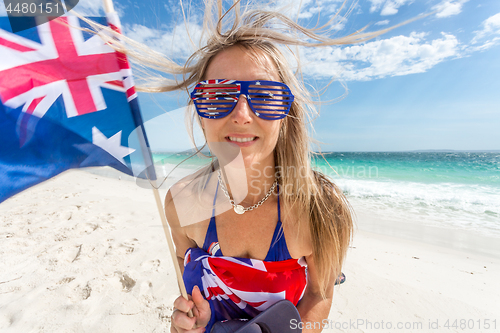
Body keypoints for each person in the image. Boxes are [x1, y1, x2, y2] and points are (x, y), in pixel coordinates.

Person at [116, 1, 389, 332]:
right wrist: (191, 319)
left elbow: (319, 293)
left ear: (285, 114)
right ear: (200, 115)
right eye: (217, 96)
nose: (242, 115)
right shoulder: (181, 201)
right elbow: (182, 263)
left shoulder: (319, 208)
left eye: (265, 95)